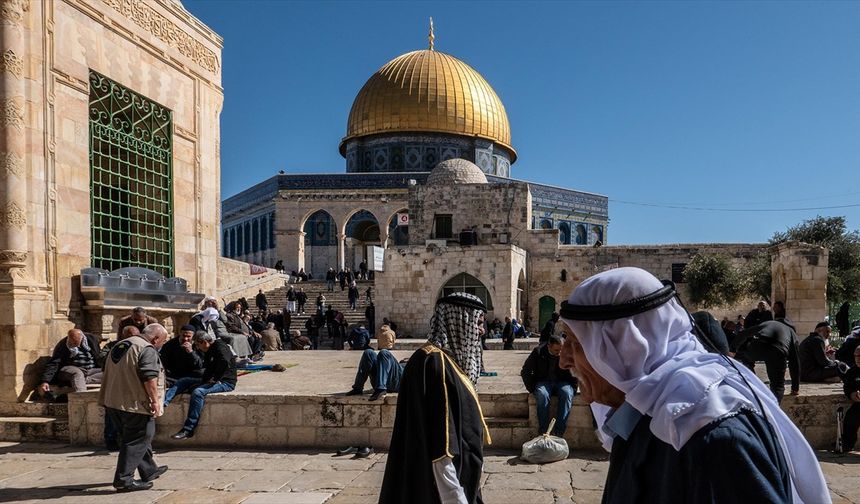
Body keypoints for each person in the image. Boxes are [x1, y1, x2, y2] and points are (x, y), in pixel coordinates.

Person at [557, 267, 829, 504]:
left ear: (626, 346)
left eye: (575, 342)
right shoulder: (645, 409)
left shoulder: (714, 439)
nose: (564, 360)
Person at [379, 292, 490, 504]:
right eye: (478, 322)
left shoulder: (446, 362)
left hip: (459, 481)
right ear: (460, 320)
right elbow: (441, 449)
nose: (481, 330)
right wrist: (456, 498)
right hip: (442, 491)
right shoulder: (434, 364)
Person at [98, 323, 169, 492]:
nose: (161, 345)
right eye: (162, 342)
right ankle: (124, 479)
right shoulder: (146, 348)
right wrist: (154, 401)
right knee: (139, 437)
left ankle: (149, 470)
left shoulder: (122, 344)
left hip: (113, 401)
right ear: (156, 338)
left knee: (135, 437)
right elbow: (149, 377)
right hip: (134, 402)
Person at [167, 331, 237, 440]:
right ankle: (164, 403)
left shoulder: (220, 347)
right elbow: (207, 368)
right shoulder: (209, 350)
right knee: (183, 381)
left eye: (198, 345)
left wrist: (216, 378)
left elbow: (224, 362)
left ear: (204, 342)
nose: (198, 348)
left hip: (225, 382)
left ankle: (188, 429)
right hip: (210, 380)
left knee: (198, 392)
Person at [520, 334, 578, 436]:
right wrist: (532, 388)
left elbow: (575, 371)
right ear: (549, 346)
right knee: (542, 395)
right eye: (556, 350)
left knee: (567, 394)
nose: (559, 353)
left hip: (563, 382)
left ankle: (559, 431)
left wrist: (573, 387)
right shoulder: (538, 352)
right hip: (544, 381)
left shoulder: (567, 353)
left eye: (561, 350)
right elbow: (526, 371)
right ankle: (544, 431)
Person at [38, 329, 102, 398]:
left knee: (109, 371)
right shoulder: (63, 344)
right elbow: (54, 363)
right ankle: (82, 398)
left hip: (90, 370)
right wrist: (45, 381)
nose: (74, 345)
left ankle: (82, 380)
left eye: (76, 343)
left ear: (82, 338)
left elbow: (98, 355)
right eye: (72, 343)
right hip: (70, 369)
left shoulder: (91, 340)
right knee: (77, 373)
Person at [838, 345, 860, 453]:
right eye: (856, 356)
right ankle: (848, 443)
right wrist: (852, 394)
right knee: (851, 417)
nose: (858, 359)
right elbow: (847, 386)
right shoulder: (852, 371)